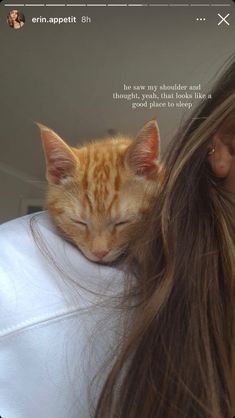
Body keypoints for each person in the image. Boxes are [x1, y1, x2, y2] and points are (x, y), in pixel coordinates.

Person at [0, 57, 234, 418]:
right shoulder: (16, 275)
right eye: (79, 223)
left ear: (149, 171)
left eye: (121, 224)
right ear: (56, 172)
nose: (98, 249)